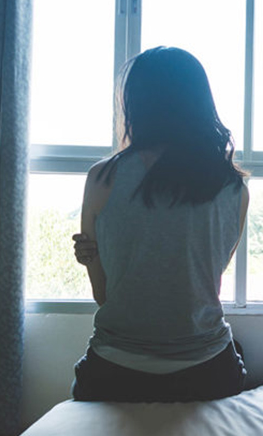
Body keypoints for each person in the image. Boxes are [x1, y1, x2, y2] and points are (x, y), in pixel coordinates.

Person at [70, 46, 249, 403]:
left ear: (135, 103)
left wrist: (92, 257)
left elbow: (104, 296)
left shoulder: (102, 178)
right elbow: (202, 282)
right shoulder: (233, 187)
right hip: (207, 372)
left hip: (115, 372)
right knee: (236, 349)